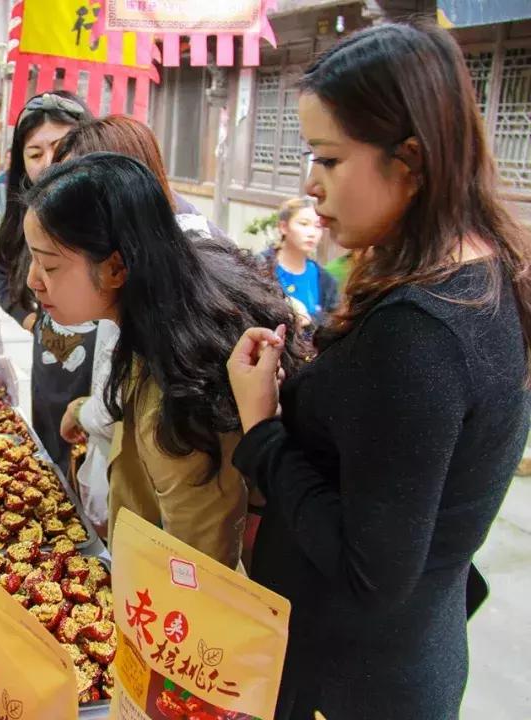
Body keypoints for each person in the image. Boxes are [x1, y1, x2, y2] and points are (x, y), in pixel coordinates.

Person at [226, 22, 531, 719]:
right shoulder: (485, 273)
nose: (310, 183)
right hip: (403, 656)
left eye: (329, 158)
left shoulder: (419, 335)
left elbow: (373, 572)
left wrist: (261, 427)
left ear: (411, 161)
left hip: (352, 679)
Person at [24, 153, 298, 567]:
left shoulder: (179, 392)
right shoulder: (164, 306)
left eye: (48, 264)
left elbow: (201, 569)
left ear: (116, 268)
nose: (33, 280)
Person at [53, 115, 234, 534]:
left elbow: (141, 412)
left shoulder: (171, 275)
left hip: (167, 527)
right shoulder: (125, 258)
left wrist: (85, 413)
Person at [0, 90, 94, 472]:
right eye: (35, 154)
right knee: (54, 461)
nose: (50, 163)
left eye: (62, 147)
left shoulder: (113, 210)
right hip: (53, 363)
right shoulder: (25, 213)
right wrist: (28, 319)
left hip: (103, 371)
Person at [265, 197, 338, 328]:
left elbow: (332, 323)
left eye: (318, 226)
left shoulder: (326, 280)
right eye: (304, 224)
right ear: (283, 227)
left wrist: (310, 320)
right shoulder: (259, 267)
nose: (312, 233)